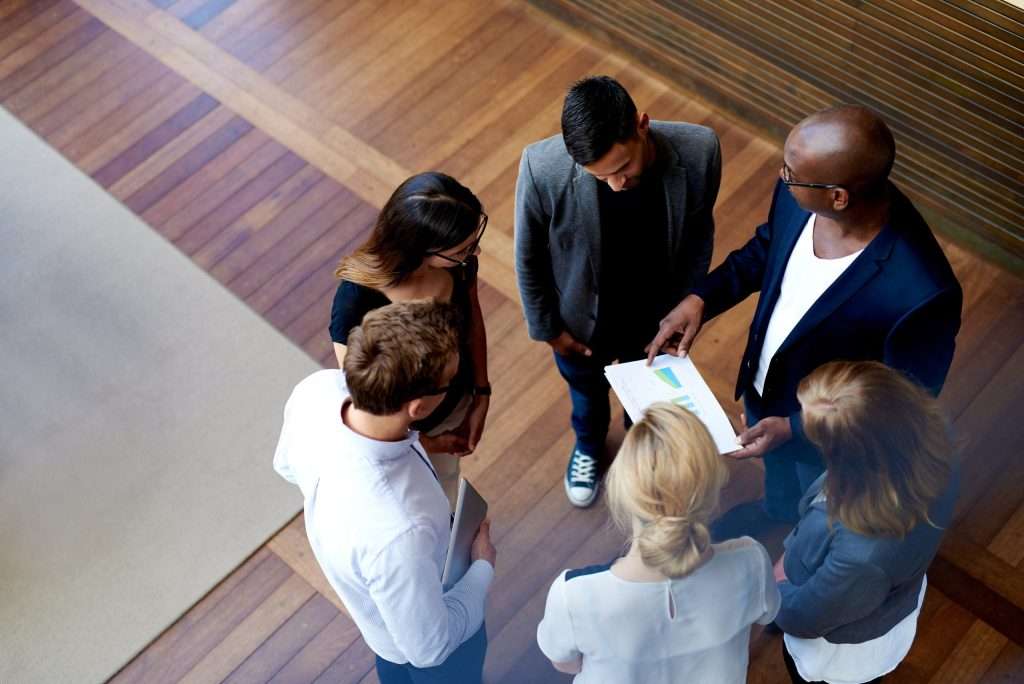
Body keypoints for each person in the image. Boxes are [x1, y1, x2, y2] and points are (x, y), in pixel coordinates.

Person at [647, 105, 962, 530]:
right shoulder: (802, 194)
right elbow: (767, 249)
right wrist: (703, 298)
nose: (781, 176)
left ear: (838, 196)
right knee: (780, 479)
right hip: (766, 396)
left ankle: (802, 539)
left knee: (820, 508)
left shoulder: (924, 292)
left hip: (828, 442)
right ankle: (777, 511)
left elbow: (901, 404)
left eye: (790, 171)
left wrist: (796, 427)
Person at [515, 75, 722, 507]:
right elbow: (528, 256)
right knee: (586, 398)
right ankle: (589, 446)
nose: (615, 184)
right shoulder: (540, 167)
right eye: (599, 176)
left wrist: (687, 301)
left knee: (646, 405)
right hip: (580, 324)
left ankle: (639, 452)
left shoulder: (701, 150)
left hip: (655, 318)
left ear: (642, 125)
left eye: (623, 168)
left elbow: (700, 232)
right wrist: (548, 329)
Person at [274, 300, 497, 684]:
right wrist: (482, 568)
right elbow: (430, 649)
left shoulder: (315, 390)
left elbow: (285, 465)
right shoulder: (399, 531)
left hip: (388, 629)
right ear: (418, 406)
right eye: (451, 380)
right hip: (435, 659)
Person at [537, 402, 779, 683]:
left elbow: (565, 664)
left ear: (623, 492)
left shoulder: (574, 596)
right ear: (712, 491)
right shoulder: (752, 562)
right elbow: (754, 630)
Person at [773, 361, 958, 683]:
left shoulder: (863, 555)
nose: (800, 421)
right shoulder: (930, 435)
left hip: (839, 646)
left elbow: (805, 618)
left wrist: (773, 588)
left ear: (852, 457)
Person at [330, 172, 491, 508]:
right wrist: (428, 444)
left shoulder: (459, 267)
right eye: (462, 248)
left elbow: (472, 321)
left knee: (445, 485)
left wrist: (481, 393)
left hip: (451, 406)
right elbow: (368, 400)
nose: (474, 252)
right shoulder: (355, 300)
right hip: (399, 435)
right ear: (418, 248)